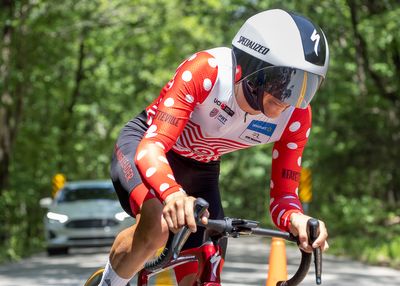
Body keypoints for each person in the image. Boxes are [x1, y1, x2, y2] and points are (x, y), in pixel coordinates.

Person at [97, 8, 330, 286]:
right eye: (287, 83)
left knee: (205, 272)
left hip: (202, 169)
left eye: (307, 86)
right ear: (255, 70)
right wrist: (172, 194)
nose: (293, 100)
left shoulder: (296, 117)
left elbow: (283, 197)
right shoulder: (207, 71)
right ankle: (110, 282)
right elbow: (154, 145)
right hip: (146, 148)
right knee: (157, 226)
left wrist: (296, 218)